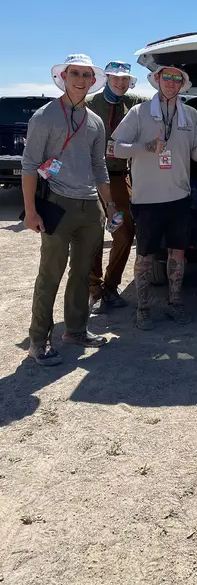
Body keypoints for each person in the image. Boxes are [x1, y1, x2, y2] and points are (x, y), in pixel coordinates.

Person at [22, 54, 116, 366]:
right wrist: (30, 211)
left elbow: (99, 166)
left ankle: (75, 330)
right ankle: (38, 341)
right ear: (64, 77)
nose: (80, 79)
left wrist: (110, 205)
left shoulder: (95, 121)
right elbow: (30, 165)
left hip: (90, 207)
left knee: (81, 273)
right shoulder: (45, 116)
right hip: (57, 204)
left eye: (86, 75)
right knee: (50, 273)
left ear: (92, 81)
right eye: (74, 73)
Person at [112, 65, 197, 330]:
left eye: (177, 79)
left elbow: (195, 156)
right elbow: (117, 148)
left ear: (182, 84)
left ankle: (175, 304)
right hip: (147, 200)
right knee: (145, 255)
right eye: (167, 77)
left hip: (179, 198)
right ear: (156, 79)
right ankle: (143, 308)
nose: (171, 83)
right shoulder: (139, 112)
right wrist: (146, 147)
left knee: (178, 253)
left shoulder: (191, 114)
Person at [88, 61, 138, 309]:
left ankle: (111, 285)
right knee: (93, 234)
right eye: (116, 78)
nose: (120, 83)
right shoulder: (90, 103)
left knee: (125, 233)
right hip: (92, 178)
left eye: (125, 79)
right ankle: (94, 288)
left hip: (119, 178)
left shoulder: (134, 102)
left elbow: (160, 101)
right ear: (106, 78)